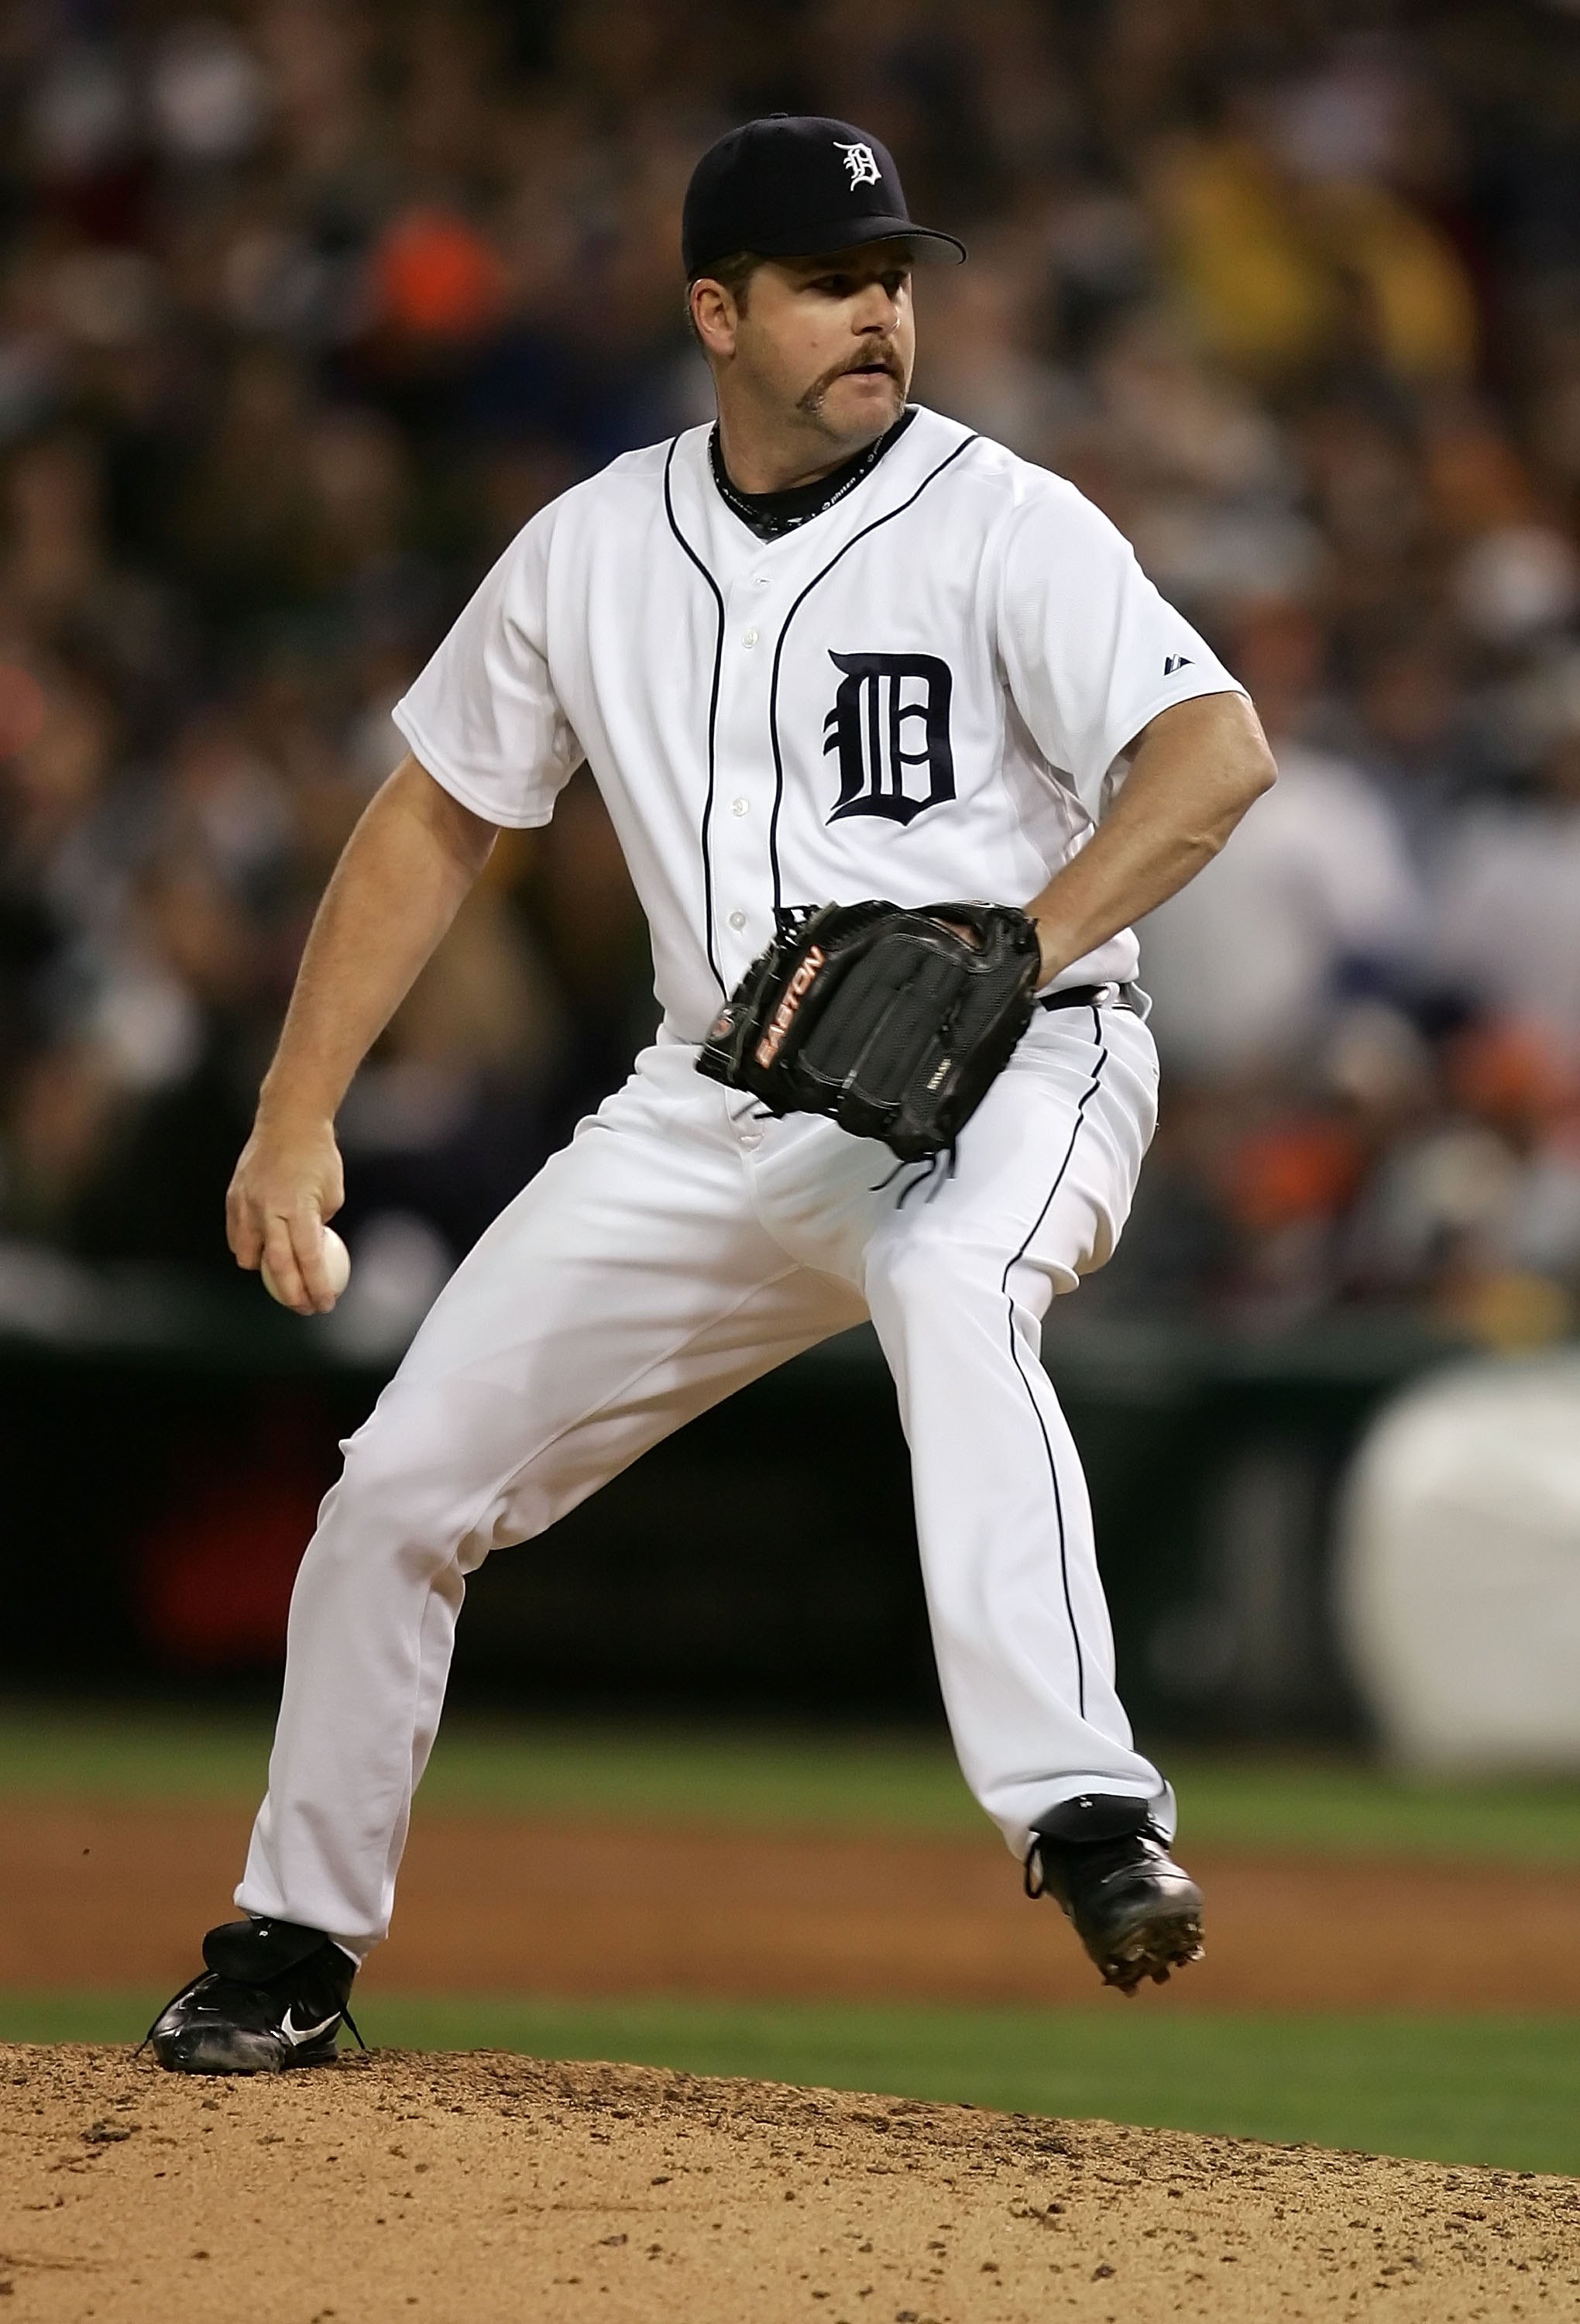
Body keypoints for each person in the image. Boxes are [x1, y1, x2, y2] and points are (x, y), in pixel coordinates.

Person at [146, 117, 1273, 2074]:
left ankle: (1091, 1817)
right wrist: (293, 1114)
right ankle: (290, 1948)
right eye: (835, 282)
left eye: (895, 279)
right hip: (716, 1099)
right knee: (403, 1485)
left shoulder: (1005, 517)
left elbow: (1213, 755)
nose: (881, 316)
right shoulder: (592, 543)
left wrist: (1021, 937)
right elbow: (433, 819)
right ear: (715, 311)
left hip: (1017, 1066)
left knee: (951, 1294)